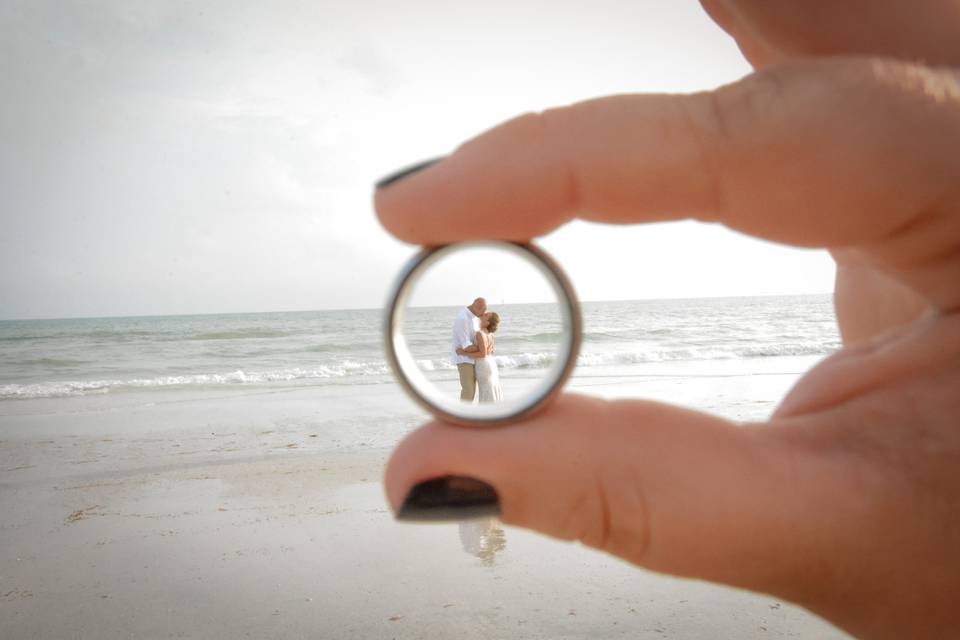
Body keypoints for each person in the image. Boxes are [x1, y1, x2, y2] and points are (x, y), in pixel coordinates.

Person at [374, 2, 960, 637]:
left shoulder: (479, 321)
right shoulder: (468, 324)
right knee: (476, 405)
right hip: (472, 375)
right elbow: (471, 350)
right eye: (483, 308)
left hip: (481, 375)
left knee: (481, 407)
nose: (484, 310)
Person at [457, 312, 503, 403]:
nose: (484, 313)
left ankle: (486, 413)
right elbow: (491, 351)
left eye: (486, 315)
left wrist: (463, 353)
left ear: (488, 322)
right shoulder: (490, 334)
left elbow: (482, 354)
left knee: (485, 389)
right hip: (490, 362)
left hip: (483, 365)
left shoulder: (480, 333)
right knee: (490, 388)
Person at [452, 297, 486, 402]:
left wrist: (482, 349)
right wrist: (482, 349)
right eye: (483, 309)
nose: (484, 313)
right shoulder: (463, 319)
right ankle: (461, 416)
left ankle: (466, 414)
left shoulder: (474, 318)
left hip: (472, 358)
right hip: (464, 359)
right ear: (476, 307)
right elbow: (466, 346)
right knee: (468, 390)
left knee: (472, 391)